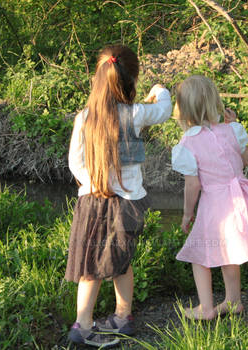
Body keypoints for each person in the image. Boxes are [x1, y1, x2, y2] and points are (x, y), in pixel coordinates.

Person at [65, 44, 172, 348]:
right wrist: (160, 89)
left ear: (98, 81)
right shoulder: (135, 113)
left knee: (91, 266)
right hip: (128, 204)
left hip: (92, 202)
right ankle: (121, 318)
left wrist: (94, 183)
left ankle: (83, 324)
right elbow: (164, 110)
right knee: (121, 261)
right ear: (131, 82)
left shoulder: (84, 118)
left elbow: (75, 162)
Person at [171, 75, 248, 320]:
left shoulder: (188, 143)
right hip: (240, 197)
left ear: (183, 108)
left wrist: (187, 213)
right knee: (230, 251)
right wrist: (236, 125)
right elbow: (245, 160)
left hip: (215, 203)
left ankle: (206, 309)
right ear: (214, 101)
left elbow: (193, 184)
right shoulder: (231, 129)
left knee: (199, 253)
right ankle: (233, 300)